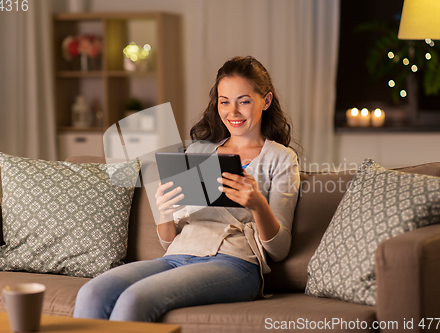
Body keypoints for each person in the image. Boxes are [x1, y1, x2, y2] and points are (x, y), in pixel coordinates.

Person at [73, 56, 300, 322]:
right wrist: (165, 213)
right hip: (177, 255)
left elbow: (279, 250)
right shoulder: (197, 151)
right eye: (224, 102)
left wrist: (257, 204)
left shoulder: (281, 158)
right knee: (92, 292)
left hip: (234, 262)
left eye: (244, 101)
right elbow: (168, 241)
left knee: (135, 299)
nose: (232, 112)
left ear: (266, 100)